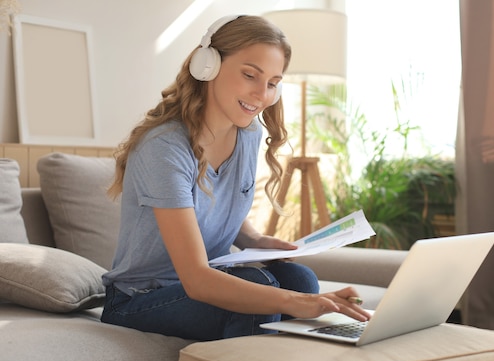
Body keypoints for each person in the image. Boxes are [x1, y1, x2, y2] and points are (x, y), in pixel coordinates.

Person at [100, 15, 369, 341]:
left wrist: (254, 241)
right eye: (249, 75)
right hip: (138, 300)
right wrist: (299, 304)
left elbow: (212, 203)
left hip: (204, 280)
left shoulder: (248, 135)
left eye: (272, 83)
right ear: (207, 66)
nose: (261, 94)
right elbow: (197, 279)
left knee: (300, 280)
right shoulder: (165, 148)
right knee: (267, 292)